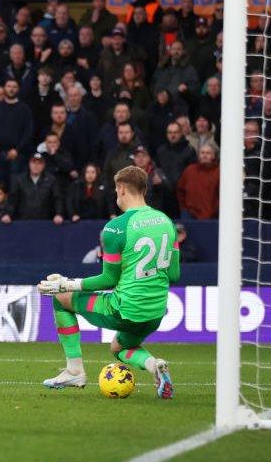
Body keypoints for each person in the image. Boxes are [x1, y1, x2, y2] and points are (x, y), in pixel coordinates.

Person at [37, 165, 178, 399]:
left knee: (61, 300)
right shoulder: (166, 222)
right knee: (119, 348)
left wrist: (67, 283)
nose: (116, 196)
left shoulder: (116, 227)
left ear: (122, 189)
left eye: (115, 191)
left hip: (124, 309)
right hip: (155, 313)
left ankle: (74, 370)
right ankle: (155, 365)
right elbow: (173, 274)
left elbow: (108, 279)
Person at [176, 144, 220, 220]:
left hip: (212, 216)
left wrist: (216, 210)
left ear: (213, 156)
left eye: (208, 153)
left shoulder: (219, 172)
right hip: (190, 214)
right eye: (202, 153)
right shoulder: (189, 170)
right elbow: (180, 190)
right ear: (198, 155)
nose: (204, 155)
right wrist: (184, 209)